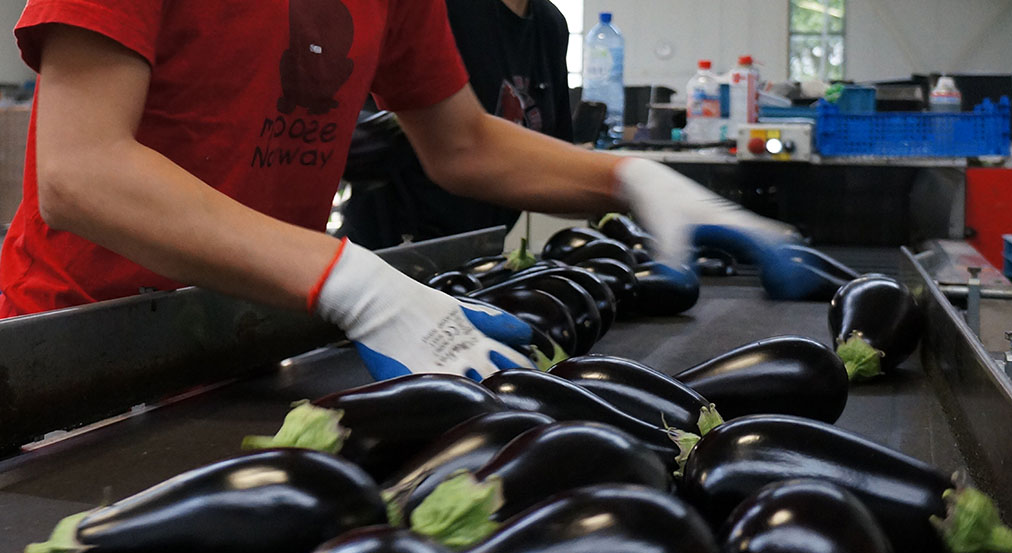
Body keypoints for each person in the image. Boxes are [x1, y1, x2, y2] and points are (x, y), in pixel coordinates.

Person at [0, 0, 795, 382]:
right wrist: (351, 280)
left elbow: (462, 142)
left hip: (239, 344)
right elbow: (82, 173)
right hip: (72, 356)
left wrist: (631, 180)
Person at [341, 0, 573, 247]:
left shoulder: (550, 25)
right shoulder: (437, 8)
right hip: (391, 251)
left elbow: (554, 168)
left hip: (479, 257)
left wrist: (610, 187)